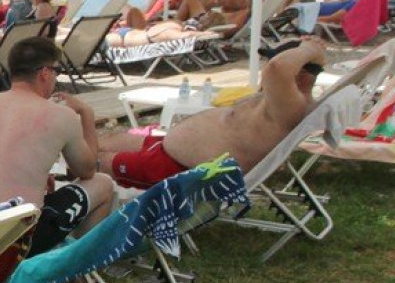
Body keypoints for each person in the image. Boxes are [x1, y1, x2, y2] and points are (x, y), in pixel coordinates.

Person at [0, 36, 113, 255]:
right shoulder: (61, 115)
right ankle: (75, 264)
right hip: (14, 238)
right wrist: (87, 113)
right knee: (103, 183)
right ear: (45, 73)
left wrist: (37, 175)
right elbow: (87, 170)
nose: (56, 78)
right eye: (57, 71)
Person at [99, 37, 327, 189]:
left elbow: (277, 69)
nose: (265, 67)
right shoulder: (279, 102)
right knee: (101, 141)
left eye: (269, 61)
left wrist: (309, 50)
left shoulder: (291, 106)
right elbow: (278, 69)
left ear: (298, 73)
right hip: (169, 149)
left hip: (183, 171)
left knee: (93, 161)